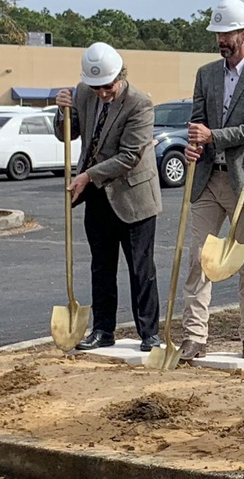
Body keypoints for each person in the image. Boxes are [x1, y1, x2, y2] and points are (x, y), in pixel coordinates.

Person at [179, 0, 244, 360]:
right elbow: (197, 120)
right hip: (208, 178)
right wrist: (193, 143)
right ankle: (194, 335)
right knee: (198, 259)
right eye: (218, 34)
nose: (221, 40)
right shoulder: (205, 74)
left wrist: (213, 137)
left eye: (228, 33)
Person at [53, 42, 162, 352]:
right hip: (98, 196)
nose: (102, 92)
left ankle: (149, 334)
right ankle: (103, 330)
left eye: (108, 86)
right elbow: (67, 134)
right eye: (96, 87)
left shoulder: (140, 103)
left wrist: (87, 175)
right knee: (101, 267)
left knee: (141, 269)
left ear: (121, 76)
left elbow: (129, 156)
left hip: (134, 197)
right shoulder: (83, 93)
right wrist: (61, 111)